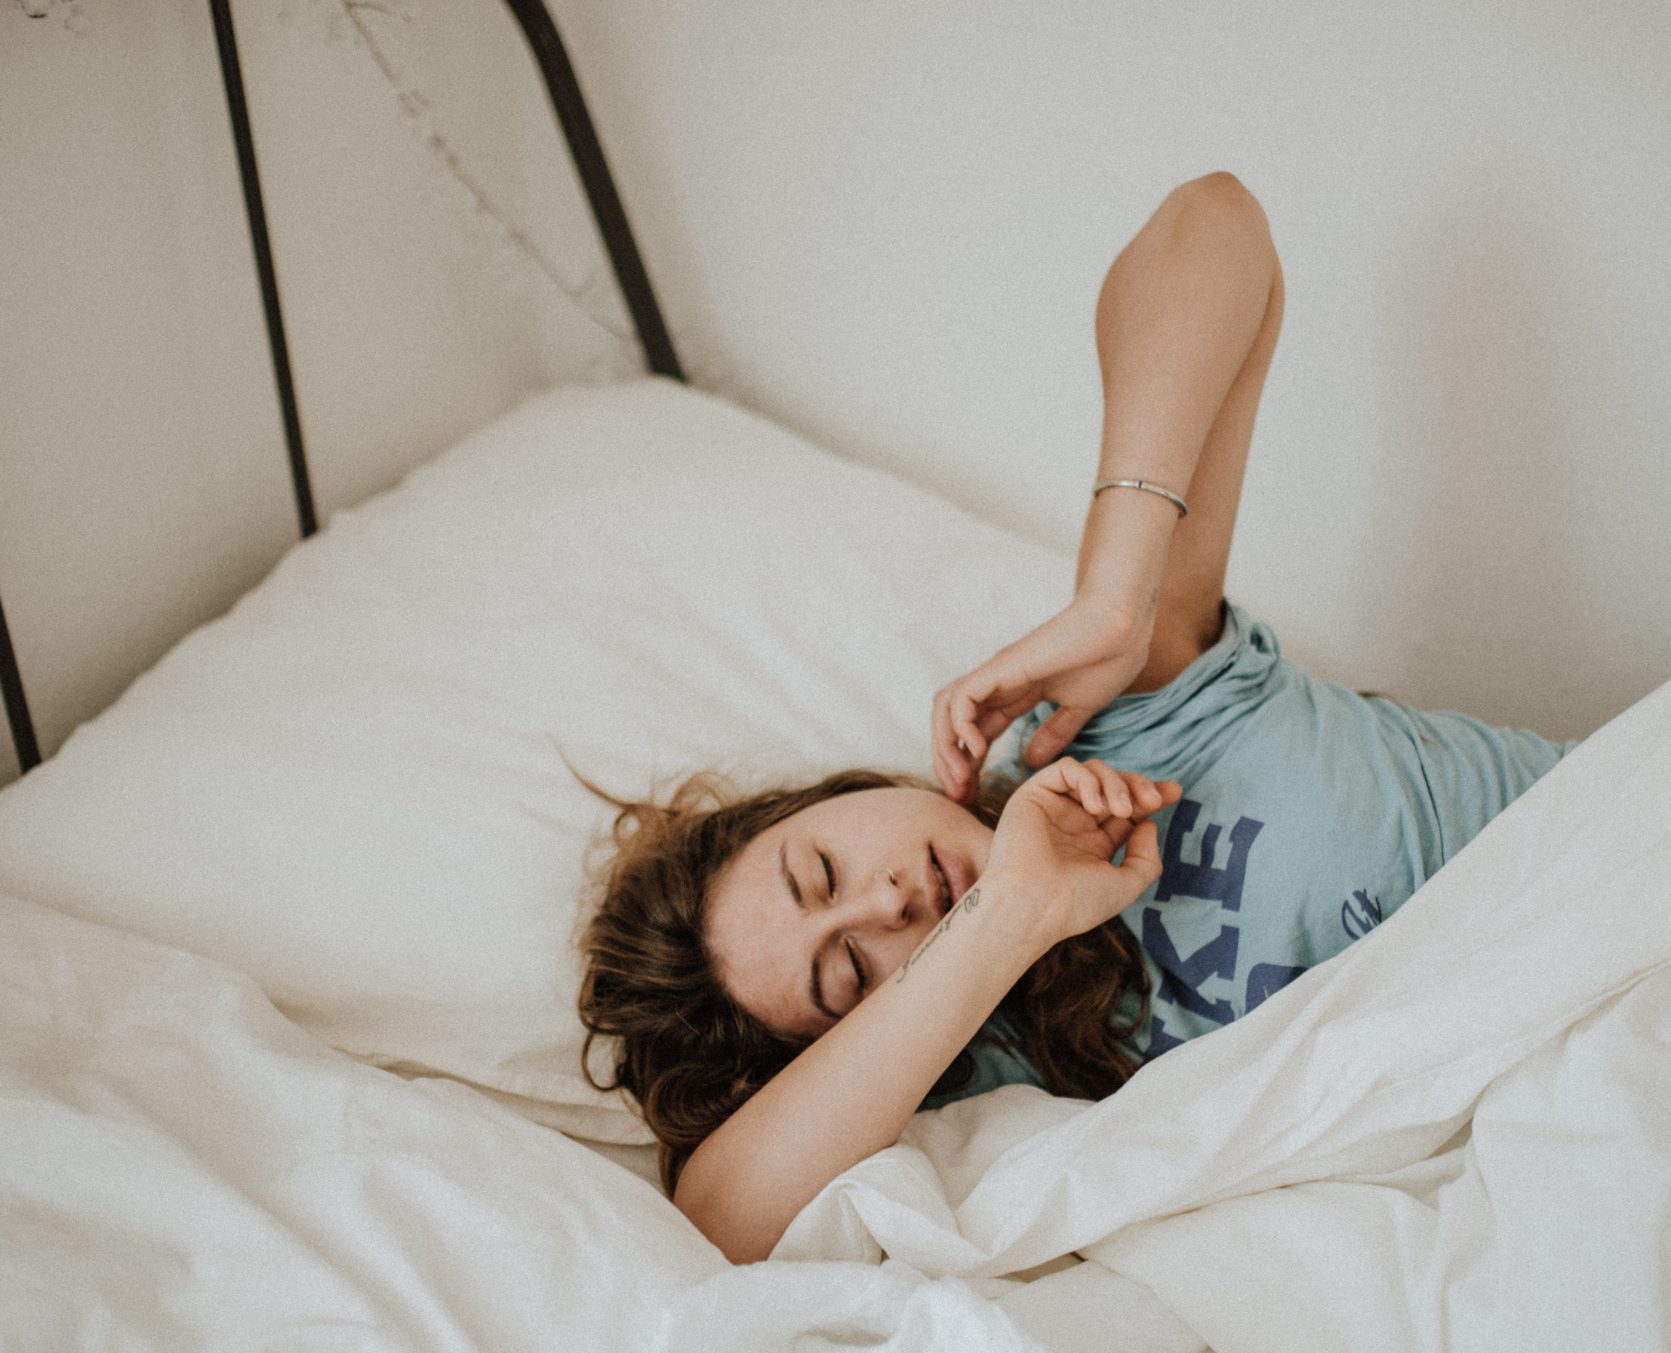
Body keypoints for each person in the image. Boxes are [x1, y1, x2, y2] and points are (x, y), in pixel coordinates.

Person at [577, 173, 1575, 1265]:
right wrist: (1005, 916)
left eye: (822, 870)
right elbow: (721, 1218)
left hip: (1634, 865)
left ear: (844, 795)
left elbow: (1215, 227)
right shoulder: (997, 1076)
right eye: (851, 970)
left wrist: (1113, 594)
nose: (888, 899)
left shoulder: (1121, 721)